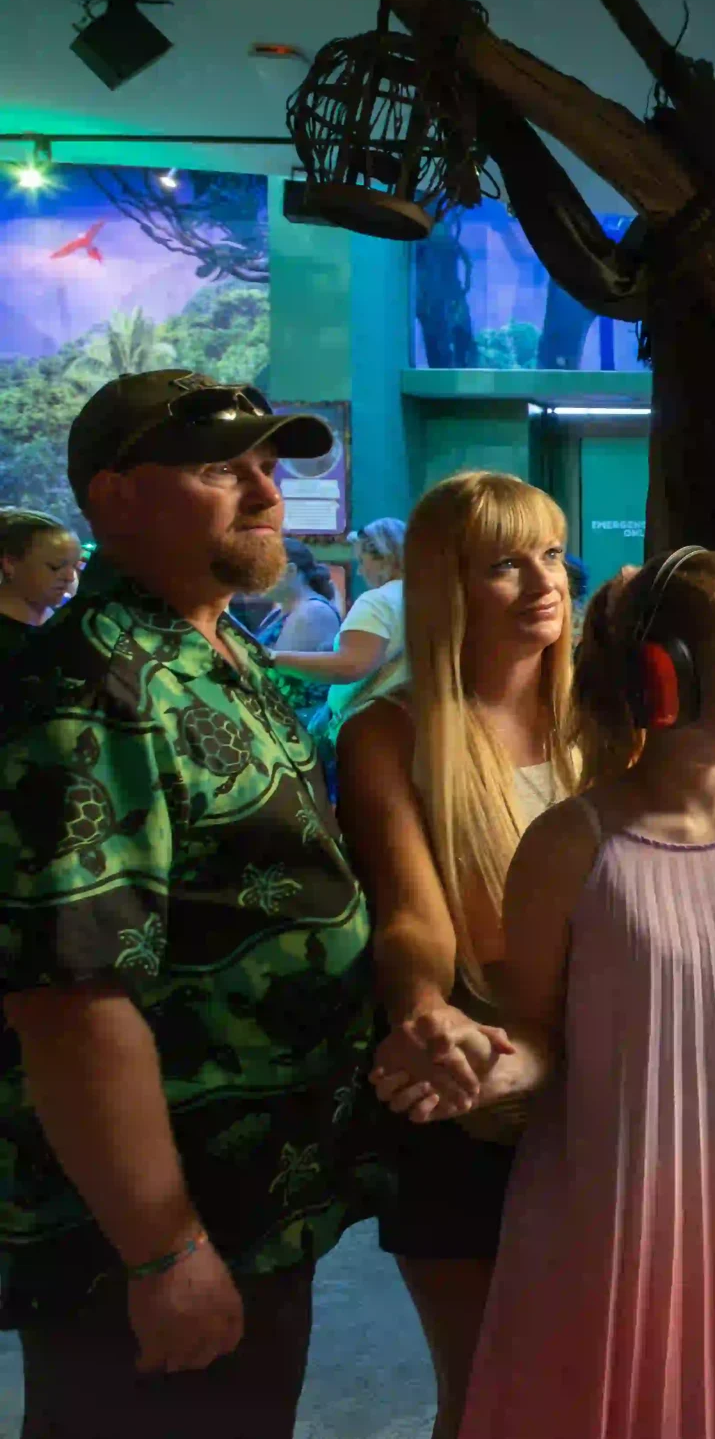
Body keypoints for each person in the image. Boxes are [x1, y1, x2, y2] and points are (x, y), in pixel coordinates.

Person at [349, 478, 715, 1439]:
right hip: (505, 1089)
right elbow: (415, 917)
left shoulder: (602, 724)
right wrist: (431, 1012)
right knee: (503, 1392)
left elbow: (714, 824)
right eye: (506, 562)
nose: (543, 582)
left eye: (553, 555)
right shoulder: (403, 740)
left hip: (676, 1114)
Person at [0, 369, 379, 1437]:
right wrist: (161, 1248)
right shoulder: (92, 683)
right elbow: (72, 995)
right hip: (146, 1232)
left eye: (271, 465)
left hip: (259, 1204)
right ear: (115, 500)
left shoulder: (221, 652)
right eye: (223, 468)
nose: (268, 492)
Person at [272, 516, 406, 734]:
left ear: (384, 559)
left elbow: (350, 665)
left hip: (367, 727)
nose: (361, 571)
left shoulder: (378, 600)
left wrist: (274, 659)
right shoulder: (423, 599)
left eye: (362, 561)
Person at [259, 540, 343, 731]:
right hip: (282, 726)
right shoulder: (280, 612)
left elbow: (271, 678)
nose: (256, 577)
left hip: (300, 733)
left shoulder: (312, 612)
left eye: (264, 570)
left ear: (290, 571)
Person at [0, 509, 83, 666]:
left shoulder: (67, 624)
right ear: (10, 563)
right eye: (56, 567)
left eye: (75, 566)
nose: (70, 577)